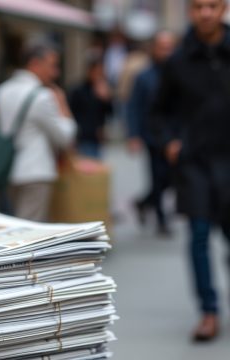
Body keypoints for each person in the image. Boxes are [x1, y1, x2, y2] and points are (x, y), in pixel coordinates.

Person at [152, 0, 230, 341]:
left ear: (224, 8)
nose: (206, 13)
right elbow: (158, 112)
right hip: (195, 164)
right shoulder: (178, 61)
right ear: (191, 12)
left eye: (212, 6)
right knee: (198, 237)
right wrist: (169, 141)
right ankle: (208, 311)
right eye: (199, 6)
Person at [0, 40, 76, 222]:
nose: (55, 73)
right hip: (36, 172)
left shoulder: (2, 91)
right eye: (52, 66)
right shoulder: (42, 96)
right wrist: (62, 107)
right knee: (30, 234)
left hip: (9, 169)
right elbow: (65, 137)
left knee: (19, 225)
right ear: (34, 64)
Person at [127, 31, 177, 236]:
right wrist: (134, 135)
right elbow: (134, 107)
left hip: (176, 136)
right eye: (162, 47)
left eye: (169, 47)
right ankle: (161, 219)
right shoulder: (144, 76)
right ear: (154, 49)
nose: (166, 51)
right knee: (157, 177)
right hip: (152, 136)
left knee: (173, 178)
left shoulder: (179, 73)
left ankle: (143, 202)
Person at [68, 50, 112, 159]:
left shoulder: (102, 89)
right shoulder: (78, 90)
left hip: (97, 138)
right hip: (82, 137)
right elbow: (72, 113)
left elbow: (110, 113)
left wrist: (106, 99)